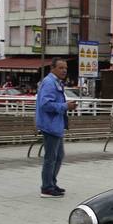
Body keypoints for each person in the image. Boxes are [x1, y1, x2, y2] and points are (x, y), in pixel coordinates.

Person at [35, 57, 77, 197]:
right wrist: (66, 106)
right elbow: (45, 105)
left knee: (58, 156)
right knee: (51, 158)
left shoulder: (56, 82)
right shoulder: (49, 83)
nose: (64, 70)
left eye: (65, 68)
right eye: (60, 68)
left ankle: (51, 183)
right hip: (50, 125)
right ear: (52, 68)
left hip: (55, 125)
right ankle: (46, 187)